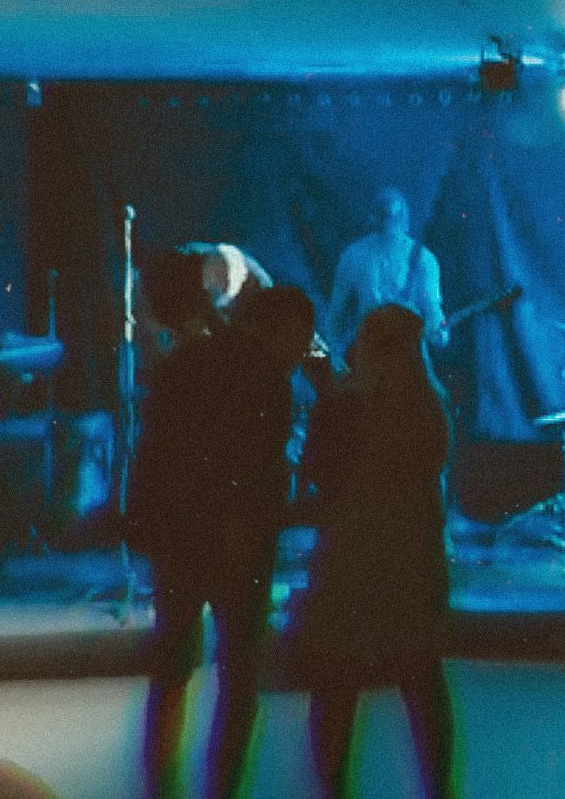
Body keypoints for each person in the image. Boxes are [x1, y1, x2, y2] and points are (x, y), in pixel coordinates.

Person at [128, 276, 319, 799]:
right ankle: (223, 787)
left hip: (178, 537)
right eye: (301, 340)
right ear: (283, 329)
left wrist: (147, 528)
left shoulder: (186, 359)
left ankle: (160, 783)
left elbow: (153, 449)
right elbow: (263, 471)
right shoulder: (269, 379)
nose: (302, 354)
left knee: (171, 668)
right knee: (239, 679)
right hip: (241, 542)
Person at [294, 304, 455, 799]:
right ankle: (438, 788)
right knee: (422, 683)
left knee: (338, 685)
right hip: (413, 560)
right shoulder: (431, 407)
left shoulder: (346, 405)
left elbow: (320, 475)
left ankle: (333, 789)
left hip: (352, 558)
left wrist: (328, 394)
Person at [327, 189, 447, 355]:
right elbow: (336, 312)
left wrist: (438, 331)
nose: (388, 228)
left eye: (391, 221)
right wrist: (333, 351)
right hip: (368, 351)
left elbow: (433, 310)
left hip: (405, 353)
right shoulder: (354, 255)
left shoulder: (423, 259)